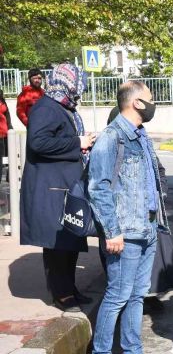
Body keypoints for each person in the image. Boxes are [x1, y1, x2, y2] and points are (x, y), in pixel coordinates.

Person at [89, 81, 167, 354]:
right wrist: (111, 231)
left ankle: (132, 349)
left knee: (136, 296)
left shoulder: (141, 134)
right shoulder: (113, 137)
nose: (153, 102)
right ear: (136, 102)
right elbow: (98, 187)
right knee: (117, 296)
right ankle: (101, 350)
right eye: (150, 98)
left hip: (146, 229)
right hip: (125, 233)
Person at [19, 63, 96, 312]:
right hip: (52, 188)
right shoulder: (47, 106)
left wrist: (82, 144)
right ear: (68, 81)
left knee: (69, 243)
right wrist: (77, 143)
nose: (80, 87)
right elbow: (38, 142)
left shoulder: (61, 106)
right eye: (78, 81)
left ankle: (69, 289)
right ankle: (61, 295)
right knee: (57, 246)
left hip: (64, 186)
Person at [99, 106, 173, 314]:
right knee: (119, 291)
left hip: (147, 216)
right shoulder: (108, 143)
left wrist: (159, 194)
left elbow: (158, 170)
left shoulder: (142, 141)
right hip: (121, 222)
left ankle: (149, 296)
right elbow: (99, 187)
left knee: (145, 275)